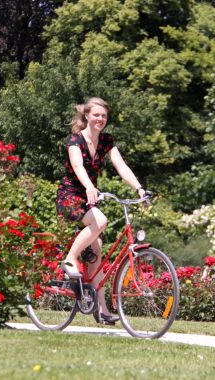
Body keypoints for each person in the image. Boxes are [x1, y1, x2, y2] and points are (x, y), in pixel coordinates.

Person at [56, 97, 145, 325]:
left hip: (89, 195)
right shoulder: (75, 140)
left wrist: (139, 188)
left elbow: (121, 165)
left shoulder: (106, 141)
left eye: (104, 116)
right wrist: (89, 186)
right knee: (101, 221)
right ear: (86, 115)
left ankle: (102, 310)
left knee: (97, 249)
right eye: (96, 115)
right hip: (71, 196)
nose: (100, 119)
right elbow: (77, 166)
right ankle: (69, 259)